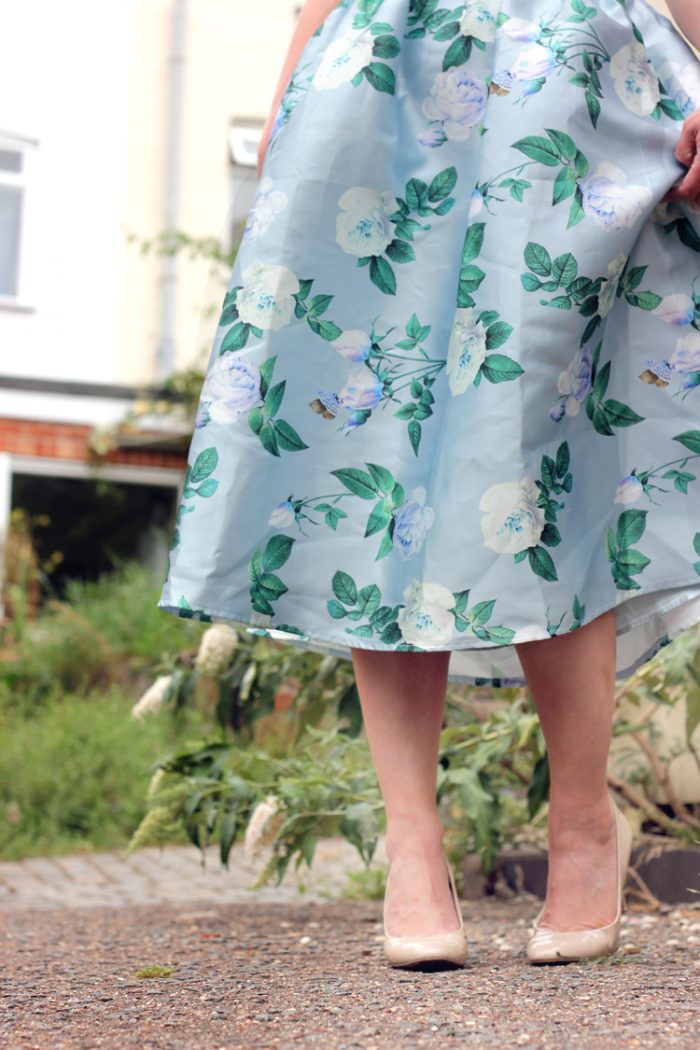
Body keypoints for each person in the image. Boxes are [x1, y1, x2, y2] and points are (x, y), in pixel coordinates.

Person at [159, 0, 700, 967]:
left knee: (544, 434)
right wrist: (293, 94)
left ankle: (582, 822)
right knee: (384, 439)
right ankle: (412, 844)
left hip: (570, 68)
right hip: (384, 69)